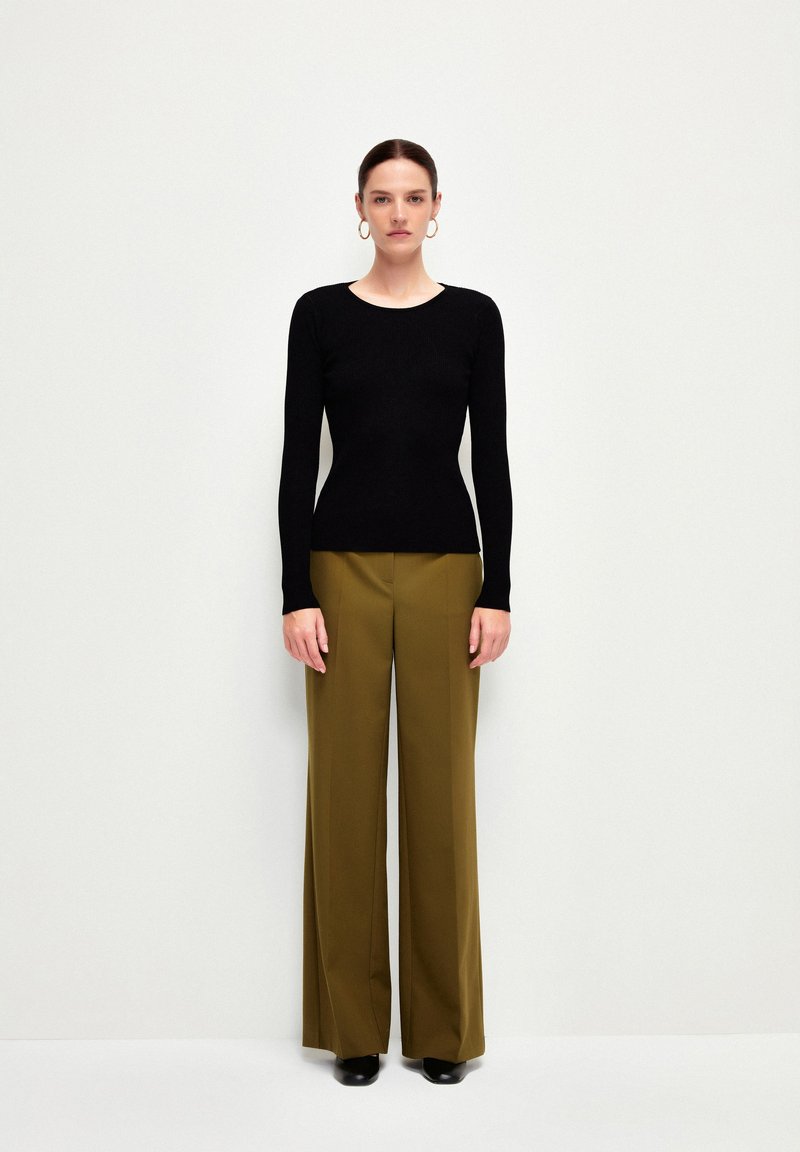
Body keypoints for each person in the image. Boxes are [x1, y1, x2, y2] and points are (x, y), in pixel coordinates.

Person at [278, 138, 512, 1086]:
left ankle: (444, 1033)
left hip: (449, 573)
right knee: (343, 801)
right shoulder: (320, 315)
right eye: (383, 198)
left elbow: (491, 460)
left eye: (415, 198)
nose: (400, 214)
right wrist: (296, 592)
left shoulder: (474, 318)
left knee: (441, 801)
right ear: (360, 210)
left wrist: (498, 590)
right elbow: (298, 461)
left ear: (438, 207)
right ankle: (354, 1030)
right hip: (339, 571)